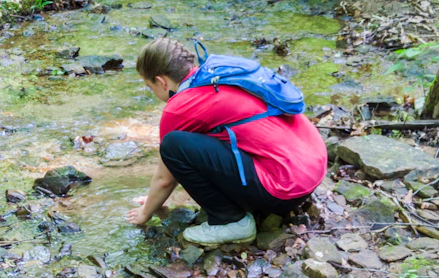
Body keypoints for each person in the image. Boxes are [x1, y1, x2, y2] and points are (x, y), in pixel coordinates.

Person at [126, 38, 327, 246]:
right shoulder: (217, 75)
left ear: (161, 81)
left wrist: (145, 212)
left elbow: (165, 177)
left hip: (285, 189)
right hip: (313, 166)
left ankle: (232, 221)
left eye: (150, 87)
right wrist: (154, 198)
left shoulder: (179, 107)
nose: (153, 92)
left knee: (172, 145)